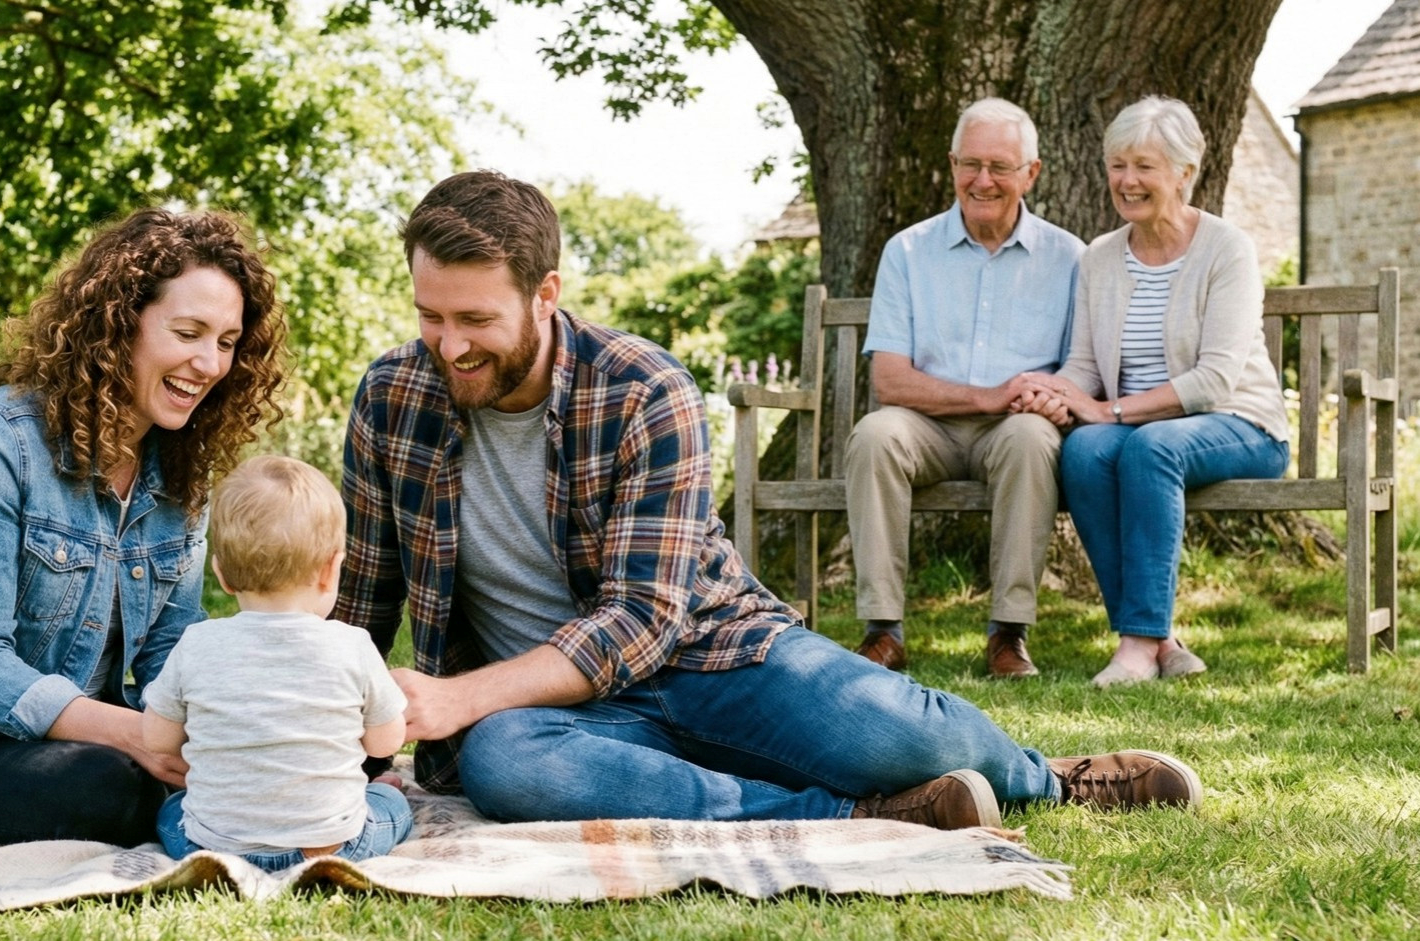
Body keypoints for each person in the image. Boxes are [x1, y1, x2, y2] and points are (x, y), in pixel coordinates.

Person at [333, 169, 1203, 832]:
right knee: (506, 765)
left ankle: (1046, 778)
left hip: (714, 658)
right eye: (430, 316)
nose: (449, 345)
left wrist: (459, 696)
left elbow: (641, 619)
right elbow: (362, 604)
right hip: (548, 715)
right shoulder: (391, 398)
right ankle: (855, 816)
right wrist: (333, 750)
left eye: (475, 320)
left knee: (904, 736)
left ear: (545, 294)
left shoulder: (643, 390)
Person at [0, 208, 288, 845]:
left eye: (226, 343)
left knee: (263, 752)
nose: (208, 363)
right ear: (119, 324)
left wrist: (235, 735)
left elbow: (170, 652)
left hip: (89, 739)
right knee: (111, 788)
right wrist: (141, 736)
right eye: (188, 333)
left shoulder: (178, 473)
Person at [1012, 96, 1290, 687]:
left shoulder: (1226, 249)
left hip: (1239, 424)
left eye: (1144, 166)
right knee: (1084, 450)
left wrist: (1107, 410)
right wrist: (1054, 393)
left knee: (1149, 446)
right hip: (1139, 430)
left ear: (1184, 173)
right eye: (1118, 165)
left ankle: (1137, 644)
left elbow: (1215, 380)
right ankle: (1158, 640)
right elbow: (1084, 365)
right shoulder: (1100, 258)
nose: (1127, 180)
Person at [846, 98, 1085, 678]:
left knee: (1031, 438)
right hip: (924, 426)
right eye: (970, 164)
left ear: (1031, 173)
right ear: (952, 164)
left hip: (1015, 428)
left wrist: (1056, 397)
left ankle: (1008, 633)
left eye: (1000, 166)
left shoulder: (1070, 257)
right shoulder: (907, 250)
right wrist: (986, 395)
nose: (983, 180)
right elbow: (889, 379)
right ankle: (883, 631)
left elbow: (1082, 368)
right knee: (874, 435)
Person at [143, 455, 411, 869]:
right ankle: (377, 798)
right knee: (391, 803)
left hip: (211, 849)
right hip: (333, 847)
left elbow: (157, 740)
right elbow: (386, 742)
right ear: (331, 570)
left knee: (172, 810)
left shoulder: (196, 644)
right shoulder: (352, 645)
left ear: (221, 573)